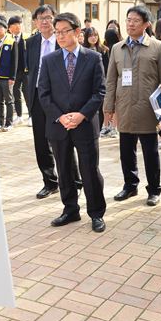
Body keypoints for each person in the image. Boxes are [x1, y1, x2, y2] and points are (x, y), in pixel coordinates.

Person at [38, 12, 106, 233]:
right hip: (59, 126)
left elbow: (99, 92)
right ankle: (70, 210)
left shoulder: (93, 58)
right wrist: (60, 116)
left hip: (85, 124)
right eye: (56, 32)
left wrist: (81, 115)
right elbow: (44, 94)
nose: (59, 36)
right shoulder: (49, 60)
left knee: (89, 170)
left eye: (64, 31)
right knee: (64, 169)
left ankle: (96, 213)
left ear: (77, 32)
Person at [103, 6, 161, 206]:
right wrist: (108, 108)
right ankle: (130, 185)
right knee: (126, 151)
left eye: (135, 21)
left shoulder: (158, 47)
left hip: (148, 109)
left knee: (150, 151)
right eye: (128, 20)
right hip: (124, 107)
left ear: (147, 24)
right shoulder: (117, 48)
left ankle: (154, 189)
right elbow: (111, 81)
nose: (130, 24)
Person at [26, 5, 82, 199]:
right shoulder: (30, 43)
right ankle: (49, 182)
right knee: (41, 143)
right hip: (37, 98)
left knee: (66, 140)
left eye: (48, 18)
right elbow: (25, 72)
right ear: (35, 21)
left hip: (60, 100)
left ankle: (75, 181)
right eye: (40, 18)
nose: (44, 21)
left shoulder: (63, 41)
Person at [83, 27, 109, 128]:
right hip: (86, 83)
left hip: (100, 81)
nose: (93, 38)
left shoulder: (104, 50)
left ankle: (99, 127)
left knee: (100, 106)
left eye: (95, 35)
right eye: (91, 36)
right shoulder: (82, 49)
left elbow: (107, 68)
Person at [8, 16, 29, 124]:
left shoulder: (27, 38)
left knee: (28, 93)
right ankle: (19, 116)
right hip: (15, 72)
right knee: (16, 94)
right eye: (14, 24)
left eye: (19, 24)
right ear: (10, 28)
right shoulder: (9, 39)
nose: (17, 26)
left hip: (26, 71)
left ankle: (30, 116)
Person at [100, 28, 120, 138]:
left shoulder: (107, 50)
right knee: (115, 104)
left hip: (108, 79)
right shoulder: (119, 48)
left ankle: (106, 125)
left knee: (107, 103)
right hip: (118, 79)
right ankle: (113, 127)